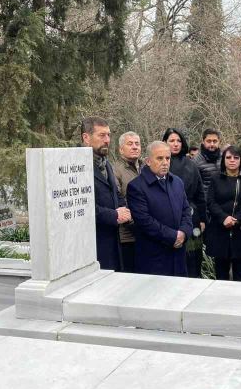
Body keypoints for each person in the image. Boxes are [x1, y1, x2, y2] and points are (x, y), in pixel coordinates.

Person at [127, 141, 193, 277]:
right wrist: (173, 236)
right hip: (154, 258)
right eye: (159, 158)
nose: (165, 162)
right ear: (148, 161)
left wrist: (184, 233)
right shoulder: (136, 187)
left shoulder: (177, 182)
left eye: (167, 158)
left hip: (178, 255)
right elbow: (145, 221)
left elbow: (186, 210)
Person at [81, 116, 130, 271]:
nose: (107, 140)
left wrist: (125, 210)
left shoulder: (105, 163)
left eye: (108, 135)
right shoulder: (78, 165)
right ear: (86, 138)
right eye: (101, 135)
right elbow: (82, 207)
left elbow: (115, 192)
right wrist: (114, 215)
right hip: (92, 246)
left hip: (113, 242)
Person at [205, 145, 241, 281]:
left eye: (236, 157)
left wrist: (236, 219)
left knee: (240, 275)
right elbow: (210, 202)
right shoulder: (215, 178)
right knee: (221, 276)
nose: (232, 160)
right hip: (220, 232)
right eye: (228, 157)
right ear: (223, 160)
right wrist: (224, 218)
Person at [162, 128, 207, 278]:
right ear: (164, 143)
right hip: (167, 218)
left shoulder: (191, 164)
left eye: (178, 141)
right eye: (171, 141)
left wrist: (202, 218)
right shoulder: (159, 164)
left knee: (193, 261)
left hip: (192, 218)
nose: (175, 144)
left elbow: (200, 194)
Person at [112, 131, 143, 273]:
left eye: (137, 144)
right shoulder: (115, 170)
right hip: (127, 236)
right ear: (121, 149)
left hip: (147, 234)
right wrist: (137, 224)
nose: (134, 147)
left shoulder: (146, 167)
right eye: (130, 144)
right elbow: (118, 201)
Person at [192, 128, 222, 196]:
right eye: (209, 141)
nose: (212, 144)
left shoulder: (225, 158)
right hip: (205, 202)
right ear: (203, 141)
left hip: (223, 200)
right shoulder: (196, 161)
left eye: (215, 141)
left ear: (219, 141)